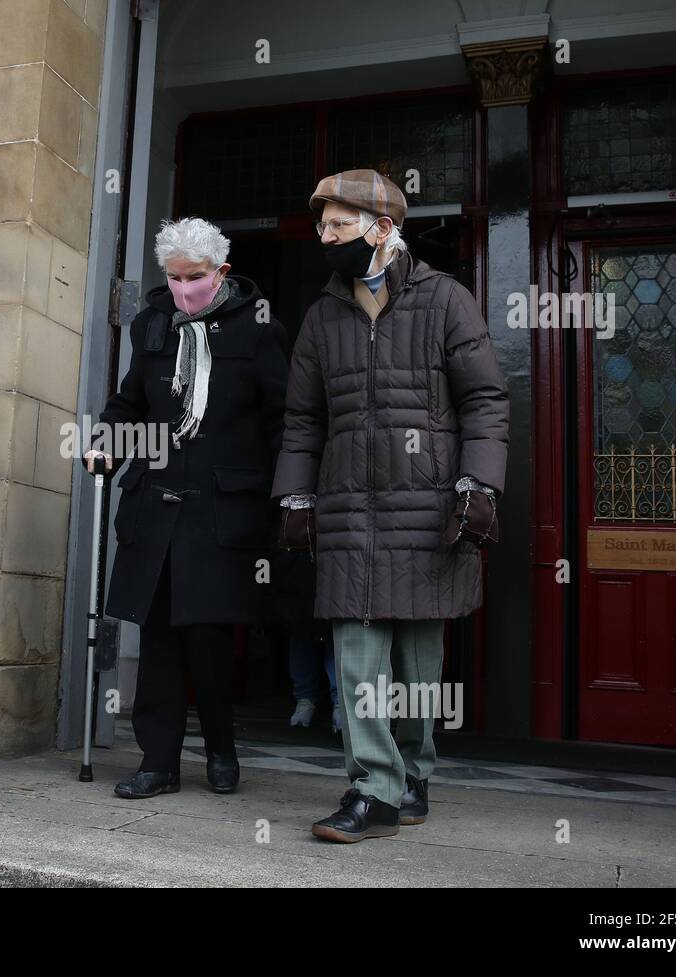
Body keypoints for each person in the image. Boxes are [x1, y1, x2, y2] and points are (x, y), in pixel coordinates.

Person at [274, 169, 508, 842]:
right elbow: (302, 418)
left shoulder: (446, 302)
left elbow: (485, 400)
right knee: (357, 656)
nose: (325, 237)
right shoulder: (323, 316)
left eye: (338, 226)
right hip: (350, 513)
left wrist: (478, 483)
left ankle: (415, 770)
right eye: (322, 227)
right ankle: (372, 788)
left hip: (428, 511)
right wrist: (295, 494)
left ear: (381, 229)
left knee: (414, 664)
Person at [86, 217, 288, 799]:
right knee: (158, 640)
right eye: (172, 278)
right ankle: (158, 761)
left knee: (208, 640)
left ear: (221, 272)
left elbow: (280, 418)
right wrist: (104, 443)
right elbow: (129, 402)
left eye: (194, 277)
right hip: (157, 501)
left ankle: (221, 748)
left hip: (224, 510)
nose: (182, 289)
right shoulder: (151, 325)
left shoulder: (261, 326)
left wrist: (287, 494)